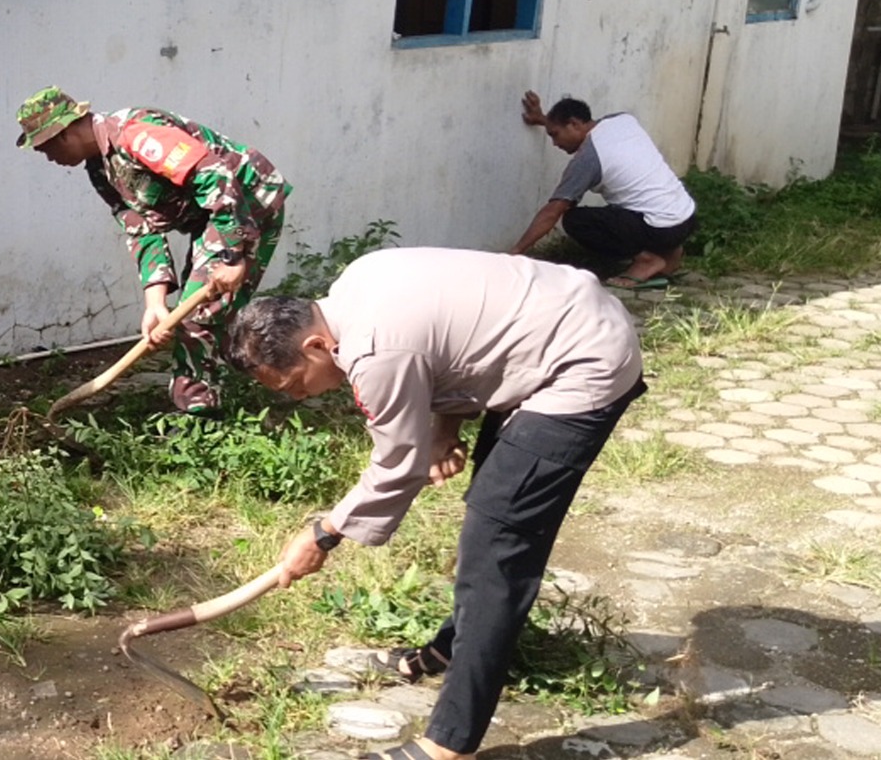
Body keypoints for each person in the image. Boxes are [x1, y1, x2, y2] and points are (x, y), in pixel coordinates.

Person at [227, 247, 645, 760]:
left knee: (498, 549)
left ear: (315, 345)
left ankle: (450, 744)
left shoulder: (373, 351)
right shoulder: (356, 283)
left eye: (293, 384)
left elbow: (397, 464)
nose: (298, 397)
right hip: (559, 322)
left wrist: (322, 535)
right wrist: (443, 430)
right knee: (491, 524)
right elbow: (454, 348)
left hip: (580, 363)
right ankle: (453, 647)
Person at [16, 86, 291, 414]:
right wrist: (154, 305)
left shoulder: (136, 136)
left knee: (199, 312)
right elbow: (142, 231)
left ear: (63, 134)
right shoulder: (101, 170)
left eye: (46, 149)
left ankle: (199, 413)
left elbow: (215, 176)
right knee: (204, 306)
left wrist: (233, 254)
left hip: (247, 203)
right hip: (211, 218)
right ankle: (237, 376)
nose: (49, 158)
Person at [511, 90, 697, 290]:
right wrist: (542, 119)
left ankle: (647, 261)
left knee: (576, 221)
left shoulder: (588, 159)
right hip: (686, 218)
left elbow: (553, 211)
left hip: (661, 229)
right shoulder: (622, 120)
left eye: (555, 135)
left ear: (574, 124)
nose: (555, 143)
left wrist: (516, 251)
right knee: (636, 206)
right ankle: (670, 252)